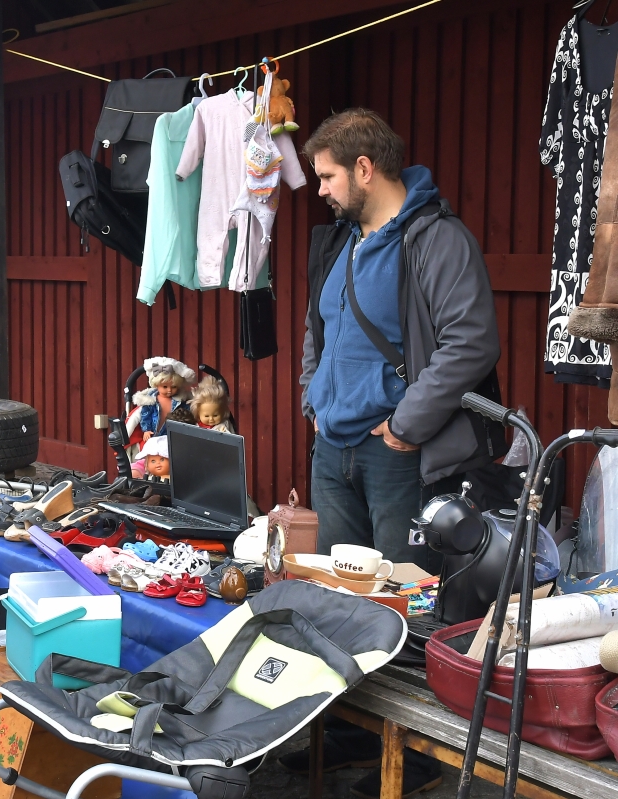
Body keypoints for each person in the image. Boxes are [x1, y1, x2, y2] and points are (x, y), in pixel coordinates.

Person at [286, 109, 501, 799]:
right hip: (334, 452)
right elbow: (318, 326)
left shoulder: (438, 240)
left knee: (403, 607)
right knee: (340, 603)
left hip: (397, 456)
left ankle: (416, 759)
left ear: (365, 168)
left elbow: (472, 341)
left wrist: (408, 423)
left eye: (327, 176)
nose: (320, 189)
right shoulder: (339, 240)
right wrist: (313, 395)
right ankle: (353, 732)